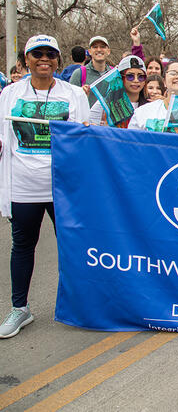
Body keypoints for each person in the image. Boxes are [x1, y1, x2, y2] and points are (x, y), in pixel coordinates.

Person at [0, 35, 90, 338]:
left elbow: (82, 139)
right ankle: (19, 308)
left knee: (72, 245)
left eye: (50, 54)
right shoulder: (10, 94)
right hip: (23, 186)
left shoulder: (74, 94)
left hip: (63, 186)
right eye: (37, 54)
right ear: (26, 60)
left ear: (58, 60)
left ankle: (80, 304)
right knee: (23, 246)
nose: (44, 59)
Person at [89, 56, 148, 127]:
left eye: (141, 77)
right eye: (130, 76)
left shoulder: (150, 106)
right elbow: (91, 127)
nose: (136, 80)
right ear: (120, 78)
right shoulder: (105, 104)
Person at [69, 36, 112, 107]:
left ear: (108, 51)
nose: (99, 50)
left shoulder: (114, 73)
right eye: (95, 47)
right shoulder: (79, 74)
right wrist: (80, 94)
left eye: (102, 47)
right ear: (89, 52)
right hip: (86, 118)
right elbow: (70, 101)